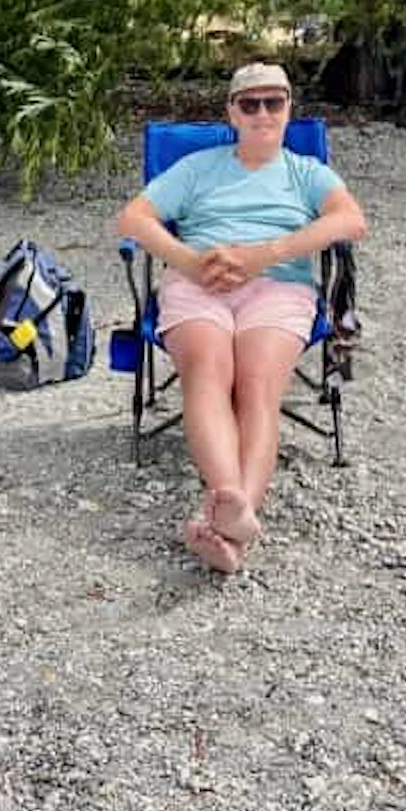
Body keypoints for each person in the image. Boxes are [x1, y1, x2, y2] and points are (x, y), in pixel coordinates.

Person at [114, 63, 368, 573]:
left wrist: (267, 253)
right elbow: (133, 219)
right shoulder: (198, 168)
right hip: (196, 282)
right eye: (249, 103)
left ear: (289, 107)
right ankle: (233, 508)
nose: (262, 113)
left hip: (277, 286)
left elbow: (350, 220)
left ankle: (233, 515)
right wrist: (189, 261)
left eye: (274, 102)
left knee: (256, 384)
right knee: (208, 370)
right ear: (231, 111)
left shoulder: (306, 172)